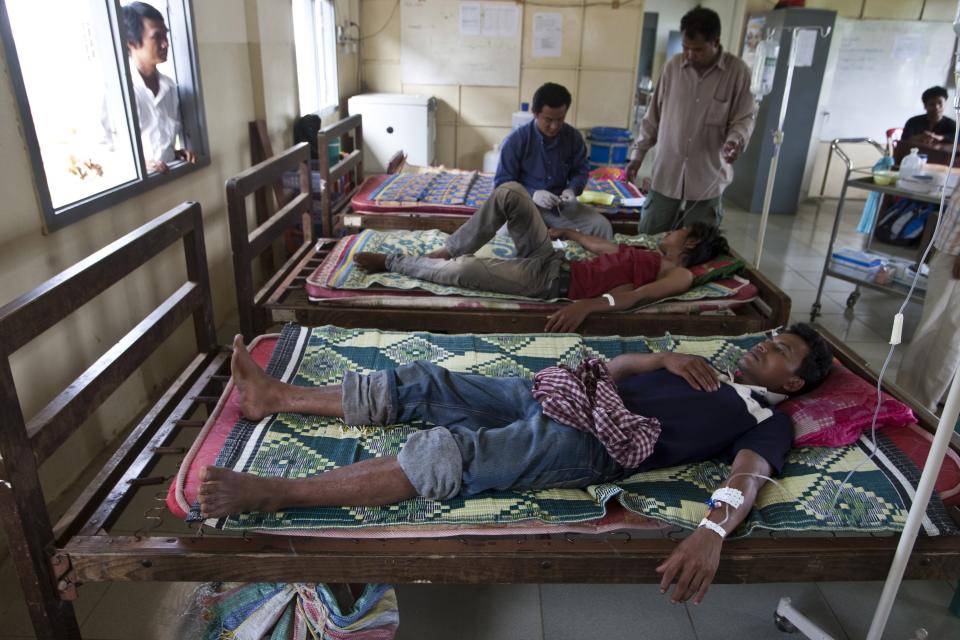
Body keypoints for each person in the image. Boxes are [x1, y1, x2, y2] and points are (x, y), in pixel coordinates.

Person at [199, 323, 834, 604]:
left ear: (797, 384)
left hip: (592, 444)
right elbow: (611, 370)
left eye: (779, 351)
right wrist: (660, 359)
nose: (762, 347)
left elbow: (748, 474)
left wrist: (711, 532)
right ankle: (275, 397)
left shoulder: (766, 419)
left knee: (454, 455)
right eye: (768, 338)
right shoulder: (705, 366)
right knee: (428, 383)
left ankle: (276, 492)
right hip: (564, 393)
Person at [352, 182, 730, 333]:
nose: (671, 229)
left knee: (465, 272)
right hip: (554, 262)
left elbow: (636, 298)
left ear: (691, 243)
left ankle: (393, 262)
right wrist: (568, 233)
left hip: (550, 283)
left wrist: (587, 306)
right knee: (511, 193)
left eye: (680, 230)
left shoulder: (680, 274)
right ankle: (450, 246)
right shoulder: (648, 252)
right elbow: (608, 250)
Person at [625, 7, 755, 234]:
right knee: (648, 237)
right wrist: (638, 155)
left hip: (708, 178)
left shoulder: (737, 72)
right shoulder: (672, 68)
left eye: (698, 49)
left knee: (695, 247)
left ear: (716, 42)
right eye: (685, 48)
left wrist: (735, 140)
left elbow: (743, 118)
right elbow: (652, 118)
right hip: (667, 173)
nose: (690, 55)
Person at [495, 82, 614, 239]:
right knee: (504, 236)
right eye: (548, 119)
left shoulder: (573, 138)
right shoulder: (516, 141)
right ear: (535, 113)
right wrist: (531, 194)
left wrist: (571, 190)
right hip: (523, 205)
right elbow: (501, 184)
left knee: (601, 227)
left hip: (560, 208)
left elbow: (580, 171)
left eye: (560, 119)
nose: (554, 126)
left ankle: (590, 264)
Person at [895, 187, 960, 413]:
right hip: (950, 247)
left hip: (956, 254)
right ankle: (931, 398)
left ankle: (916, 403)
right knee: (944, 328)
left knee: (943, 331)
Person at [122, 2, 197, 173]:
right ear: (131, 43)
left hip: (167, 185)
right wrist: (143, 164)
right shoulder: (122, 94)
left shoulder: (169, 88)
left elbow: (160, 142)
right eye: (157, 37)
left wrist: (174, 154)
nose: (166, 44)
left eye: (166, 36)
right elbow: (106, 152)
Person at [896, 86, 956, 163]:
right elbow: (903, 141)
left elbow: (956, 140)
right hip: (913, 161)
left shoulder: (952, 124)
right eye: (932, 104)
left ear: (945, 104)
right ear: (925, 106)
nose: (936, 107)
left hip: (940, 162)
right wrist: (919, 137)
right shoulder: (913, 122)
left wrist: (940, 138)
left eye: (940, 103)